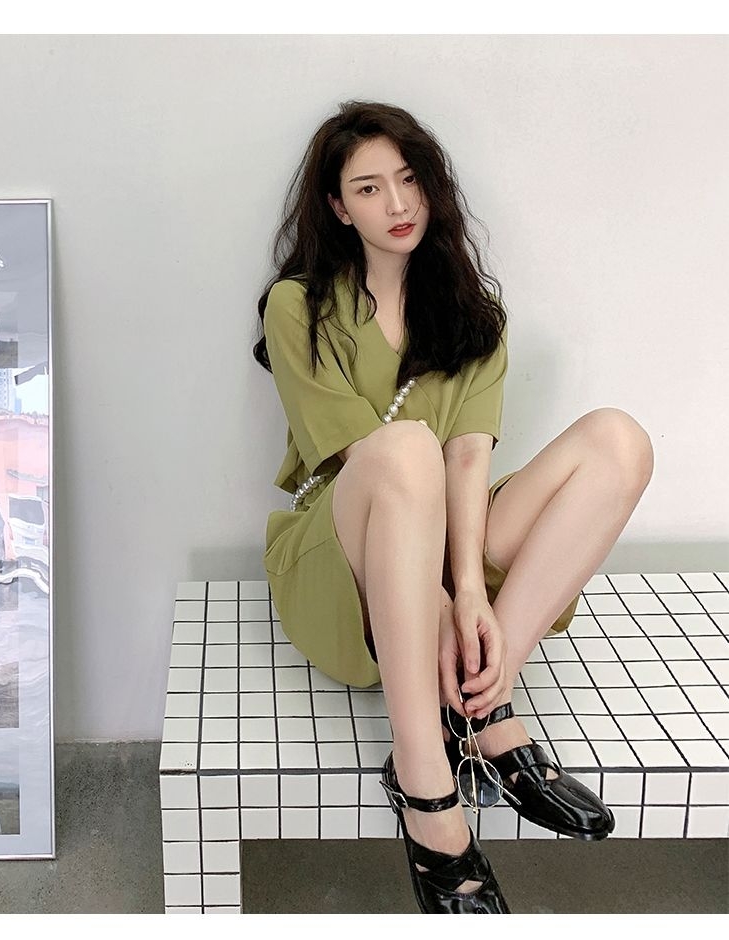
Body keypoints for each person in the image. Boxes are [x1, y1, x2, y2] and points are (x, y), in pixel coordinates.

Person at [253, 101, 653, 914]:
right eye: (369, 188)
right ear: (339, 208)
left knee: (619, 440)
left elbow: (470, 458)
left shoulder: (474, 316)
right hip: (340, 554)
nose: (397, 204)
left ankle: (484, 699)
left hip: (440, 542)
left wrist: (467, 589)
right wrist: (439, 598)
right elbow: (356, 458)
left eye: (408, 180)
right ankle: (425, 778)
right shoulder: (298, 306)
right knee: (402, 448)